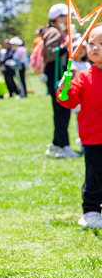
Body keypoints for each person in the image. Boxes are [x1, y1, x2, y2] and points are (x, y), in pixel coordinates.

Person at [57, 24, 102, 228]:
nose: (95, 48)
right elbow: (69, 101)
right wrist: (64, 87)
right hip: (93, 137)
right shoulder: (83, 77)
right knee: (95, 175)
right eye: (91, 43)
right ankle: (90, 212)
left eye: (101, 43)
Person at [43, 3, 79, 159]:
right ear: (57, 17)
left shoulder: (56, 32)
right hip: (55, 74)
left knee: (60, 111)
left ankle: (57, 143)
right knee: (62, 110)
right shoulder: (54, 32)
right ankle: (63, 146)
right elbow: (50, 53)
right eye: (65, 16)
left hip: (55, 73)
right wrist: (66, 46)